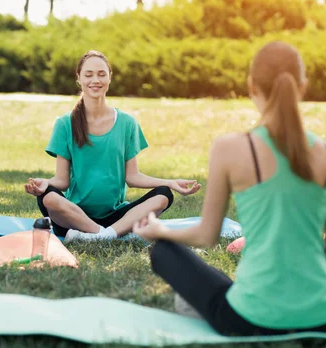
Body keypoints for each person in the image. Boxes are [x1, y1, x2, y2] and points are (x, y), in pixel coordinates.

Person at [133, 42, 326, 336]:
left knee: (164, 253)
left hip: (250, 319)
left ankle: (205, 302)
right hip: (325, 320)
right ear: (303, 87)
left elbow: (207, 235)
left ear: (251, 86)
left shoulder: (229, 148)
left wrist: (160, 230)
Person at [25, 50, 201, 243]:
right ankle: (101, 233)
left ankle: (101, 236)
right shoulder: (65, 123)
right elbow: (62, 181)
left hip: (116, 217)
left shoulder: (127, 123)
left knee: (163, 195)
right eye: (89, 74)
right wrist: (45, 184)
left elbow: (132, 177)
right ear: (79, 78)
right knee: (47, 197)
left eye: (101, 74)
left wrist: (170, 183)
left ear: (110, 77)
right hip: (73, 215)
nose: (95, 80)